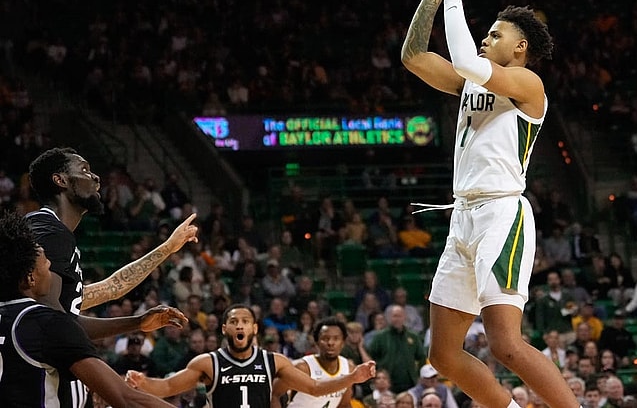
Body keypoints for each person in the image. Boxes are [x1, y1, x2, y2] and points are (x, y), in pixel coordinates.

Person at [400, 0, 576, 408]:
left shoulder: (527, 85)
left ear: (520, 47)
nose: (484, 39)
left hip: (501, 214)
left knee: (506, 345)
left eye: (494, 35)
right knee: (442, 355)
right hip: (462, 216)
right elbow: (413, 54)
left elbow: (464, 60)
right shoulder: (469, 83)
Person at [25, 146, 195, 407]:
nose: (96, 177)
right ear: (60, 180)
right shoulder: (46, 230)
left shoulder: (56, 233)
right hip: (39, 387)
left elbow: (109, 289)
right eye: (84, 170)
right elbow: (47, 321)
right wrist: (96, 374)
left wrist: (168, 248)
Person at [0, 211, 175, 408]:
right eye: (47, 266)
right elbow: (128, 399)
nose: (52, 269)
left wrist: (137, 322)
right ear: (30, 278)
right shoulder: (46, 323)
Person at [126, 304, 377, 408]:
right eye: (233, 321)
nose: (239, 326)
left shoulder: (274, 361)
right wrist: (143, 382)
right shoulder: (208, 362)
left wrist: (351, 378)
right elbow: (169, 386)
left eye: (245, 321)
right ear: (224, 329)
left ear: (254, 329)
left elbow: (314, 387)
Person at [271, 317, 357, 408]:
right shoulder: (302, 367)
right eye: (325, 338)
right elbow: (274, 394)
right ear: (317, 342)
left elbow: (344, 405)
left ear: (343, 342)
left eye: (336, 338)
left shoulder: (348, 368)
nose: (331, 343)